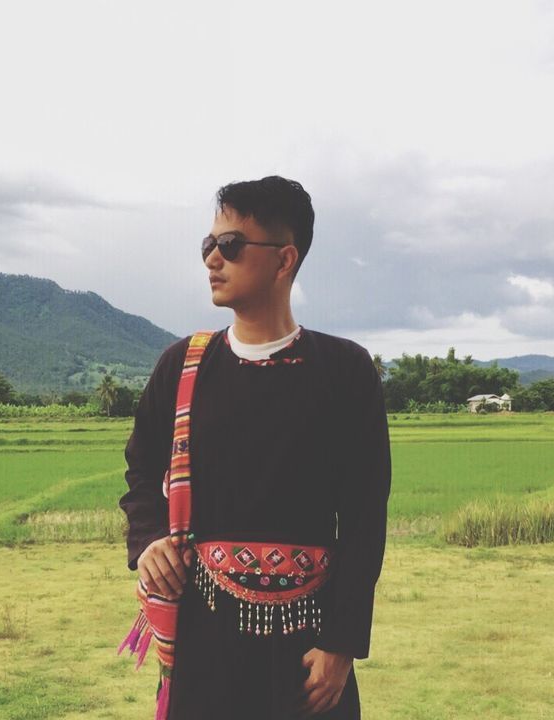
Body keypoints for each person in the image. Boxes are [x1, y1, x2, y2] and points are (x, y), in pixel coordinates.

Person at [118, 176, 391, 719]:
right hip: (203, 642)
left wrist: (341, 644)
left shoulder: (345, 372)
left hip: (307, 648)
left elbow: (364, 517)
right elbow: (141, 468)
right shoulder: (182, 366)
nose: (213, 260)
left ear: (285, 259)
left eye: (232, 246)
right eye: (208, 245)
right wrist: (147, 540)